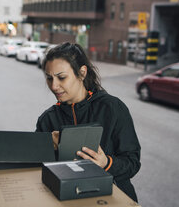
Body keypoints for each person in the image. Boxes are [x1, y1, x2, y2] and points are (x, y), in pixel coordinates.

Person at [36, 42, 141, 202]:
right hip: (65, 198)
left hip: (112, 197)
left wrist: (107, 163)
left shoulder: (112, 108)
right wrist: (46, 147)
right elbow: (37, 169)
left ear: (82, 72)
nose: (54, 86)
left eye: (62, 77)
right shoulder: (47, 119)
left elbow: (132, 162)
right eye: (49, 78)